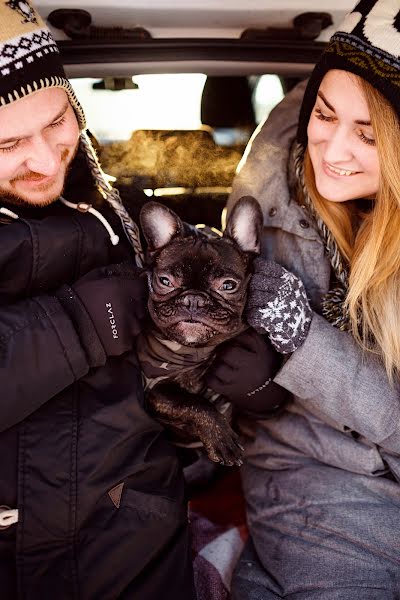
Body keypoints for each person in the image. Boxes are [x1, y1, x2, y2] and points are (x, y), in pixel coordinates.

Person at [0, 2, 197, 599]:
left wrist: (237, 386)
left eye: (58, 121)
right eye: (8, 143)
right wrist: (79, 323)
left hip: (134, 539)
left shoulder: (119, 212)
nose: (43, 158)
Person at [225, 1, 400, 598]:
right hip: (321, 488)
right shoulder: (272, 207)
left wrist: (303, 339)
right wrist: (257, 389)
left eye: (368, 134)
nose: (331, 151)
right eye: (323, 114)